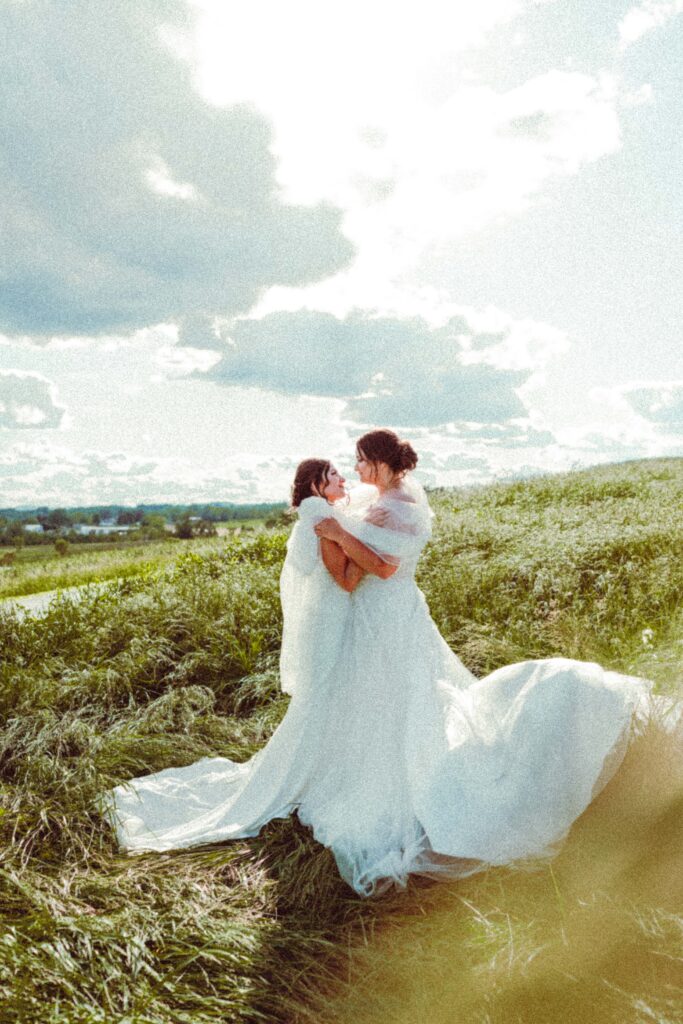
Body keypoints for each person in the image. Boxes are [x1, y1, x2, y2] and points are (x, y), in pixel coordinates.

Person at [105, 431, 650, 897]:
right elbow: (350, 569)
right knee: (376, 698)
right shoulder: (378, 503)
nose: (358, 469)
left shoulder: (397, 507)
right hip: (373, 617)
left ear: (382, 462)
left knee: (403, 695)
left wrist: (339, 534)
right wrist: (337, 533)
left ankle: (405, 782)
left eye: (362, 460)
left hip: (390, 614)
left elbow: (385, 569)